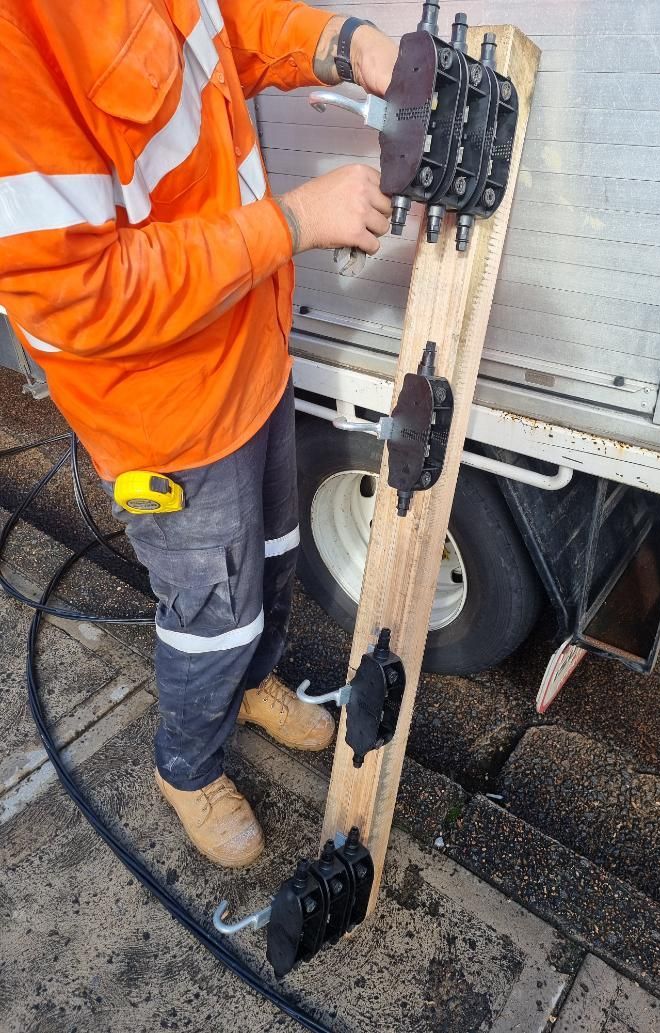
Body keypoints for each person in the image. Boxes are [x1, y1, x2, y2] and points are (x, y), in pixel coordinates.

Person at [0, 1, 397, 867]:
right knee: (212, 614)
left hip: (250, 346)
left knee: (279, 552)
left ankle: (255, 686)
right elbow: (84, 294)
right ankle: (185, 767)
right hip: (168, 410)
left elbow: (220, 33)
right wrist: (291, 224)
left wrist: (342, 44)